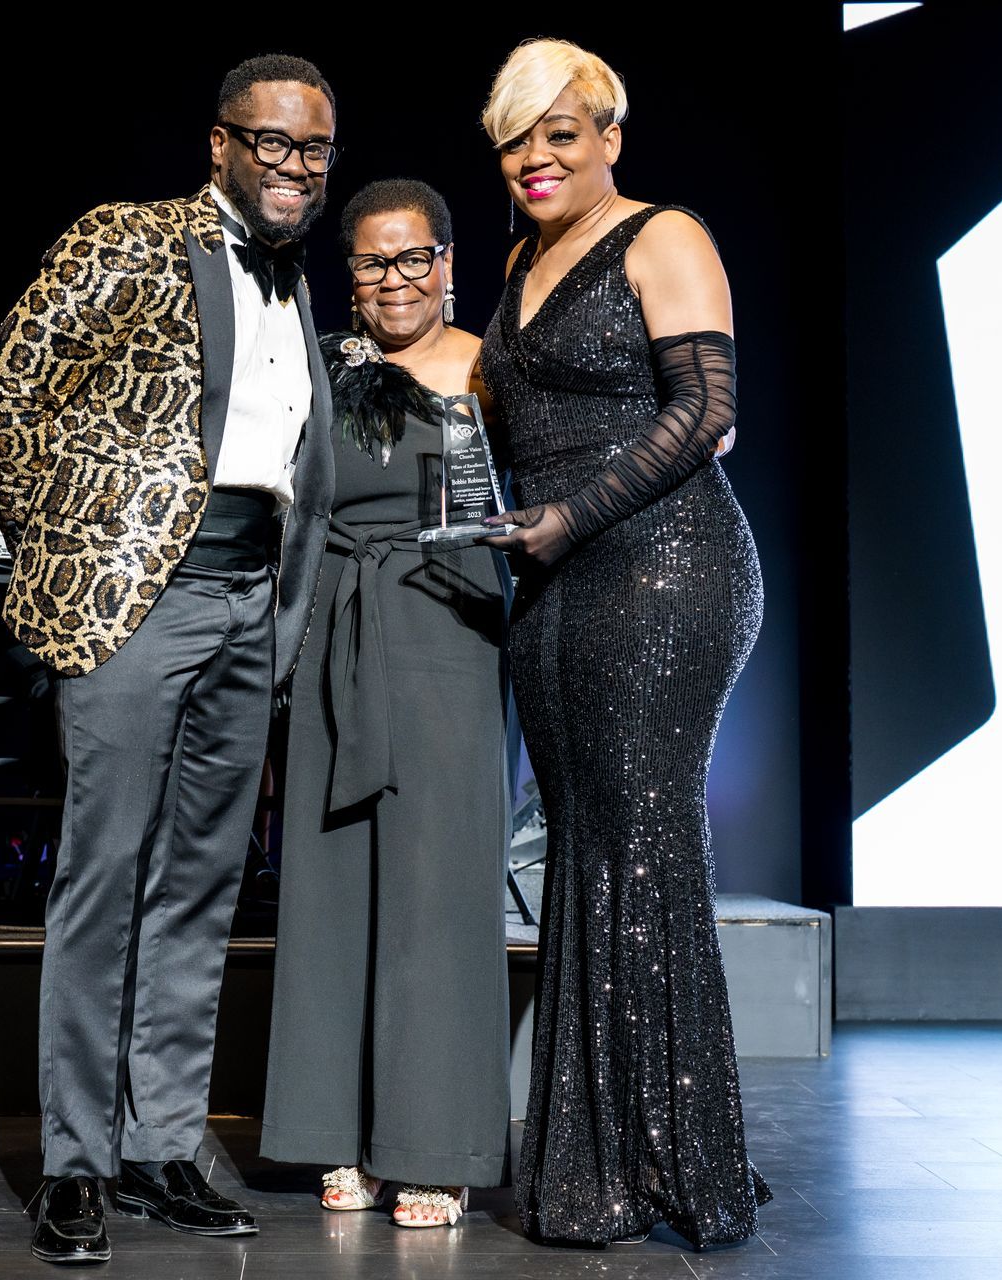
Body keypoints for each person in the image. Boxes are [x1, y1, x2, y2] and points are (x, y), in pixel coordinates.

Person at [0, 54, 338, 1267]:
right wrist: (78, 547)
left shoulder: (297, 281)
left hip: (251, 600)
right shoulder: (126, 236)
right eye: (273, 142)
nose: (295, 166)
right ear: (220, 143)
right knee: (104, 876)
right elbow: (7, 394)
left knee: (201, 886)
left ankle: (162, 1142)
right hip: (140, 602)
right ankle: (75, 1161)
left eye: (313, 148)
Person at [473, 38, 770, 1250]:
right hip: (553, 577)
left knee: (643, 844)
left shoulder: (661, 236)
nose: (535, 158)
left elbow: (707, 411)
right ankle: (599, 1154)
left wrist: (569, 517)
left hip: (664, 566)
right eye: (514, 138)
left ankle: (674, 1158)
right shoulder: (516, 261)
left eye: (560, 133)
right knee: (584, 852)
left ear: (610, 138)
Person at [260, 179, 510, 1230]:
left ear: (448, 263)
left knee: (436, 890)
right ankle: (334, 1132)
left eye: (415, 258)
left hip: (448, 631)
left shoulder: (493, 366)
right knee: (329, 883)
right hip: (334, 628)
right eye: (373, 261)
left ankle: (434, 1145)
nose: (395, 279)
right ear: (350, 274)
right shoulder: (321, 367)